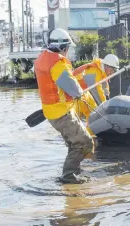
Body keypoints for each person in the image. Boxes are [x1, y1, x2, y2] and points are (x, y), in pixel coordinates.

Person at [34, 28, 94, 184]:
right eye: (67, 48)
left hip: (51, 112)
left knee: (74, 143)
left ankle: (74, 172)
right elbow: (72, 88)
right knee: (85, 142)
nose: (67, 51)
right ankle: (68, 175)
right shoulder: (58, 64)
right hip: (62, 113)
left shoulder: (42, 58)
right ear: (62, 47)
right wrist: (79, 92)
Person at [72, 54, 119, 125]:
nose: (112, 73)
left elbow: (105, 87)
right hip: (74, 94)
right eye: (112, 70)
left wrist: (107, 97)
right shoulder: (94, 72)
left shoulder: (102, 70)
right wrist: (106, 107)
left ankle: (91, 132)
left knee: (92, 112)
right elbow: (97, 91)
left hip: (83, 93)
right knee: (91, 112)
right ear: (107, 66)